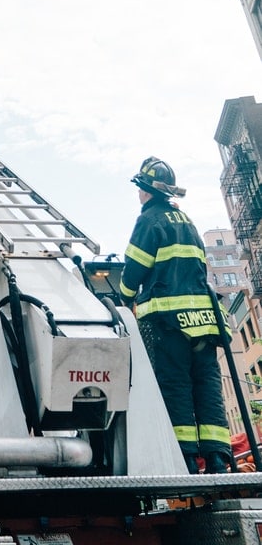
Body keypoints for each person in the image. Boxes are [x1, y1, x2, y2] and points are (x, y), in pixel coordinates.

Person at [119, 156, 233, 474]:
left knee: (175, 384)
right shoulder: (187, 221)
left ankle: (184, 459)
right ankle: (216, 457)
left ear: (144, 189)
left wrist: (124, 300)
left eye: (139, 189)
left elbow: (134, 270)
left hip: (169, 322)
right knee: (207, 384)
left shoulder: (149, 220)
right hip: (205, 321)